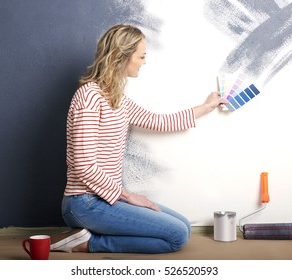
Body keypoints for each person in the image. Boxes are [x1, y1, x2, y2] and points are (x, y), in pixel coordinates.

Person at [50, 24, 228, 254]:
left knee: (183, 225)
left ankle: (95, 232)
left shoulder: (117, 99)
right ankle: (89, 243)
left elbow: (160, 121)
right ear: (122, 56)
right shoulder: (89, 98)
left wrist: (207, 107)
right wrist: (128, 196)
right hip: (84, 202)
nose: (144, 62)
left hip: (107, 199)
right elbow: (84, 166)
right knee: (178, 236)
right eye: (141, 56)